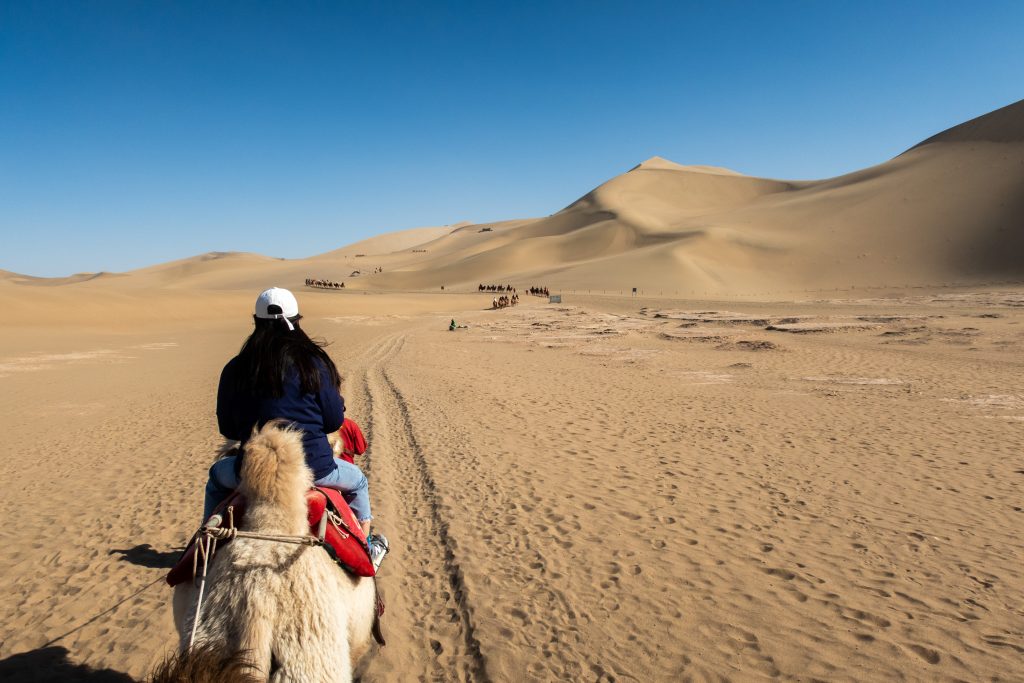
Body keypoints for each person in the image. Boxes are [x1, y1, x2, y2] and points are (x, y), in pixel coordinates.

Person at [205, 287, 387, 567]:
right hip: (316, 469)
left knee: (216, 479)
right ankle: (365, 549)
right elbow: (334, 421)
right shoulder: (314, 363)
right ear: (296, 321)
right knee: (359, 482)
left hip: (250, 470)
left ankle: (207, 547)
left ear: (256, 322)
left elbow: (227, 428)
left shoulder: (236, 368)